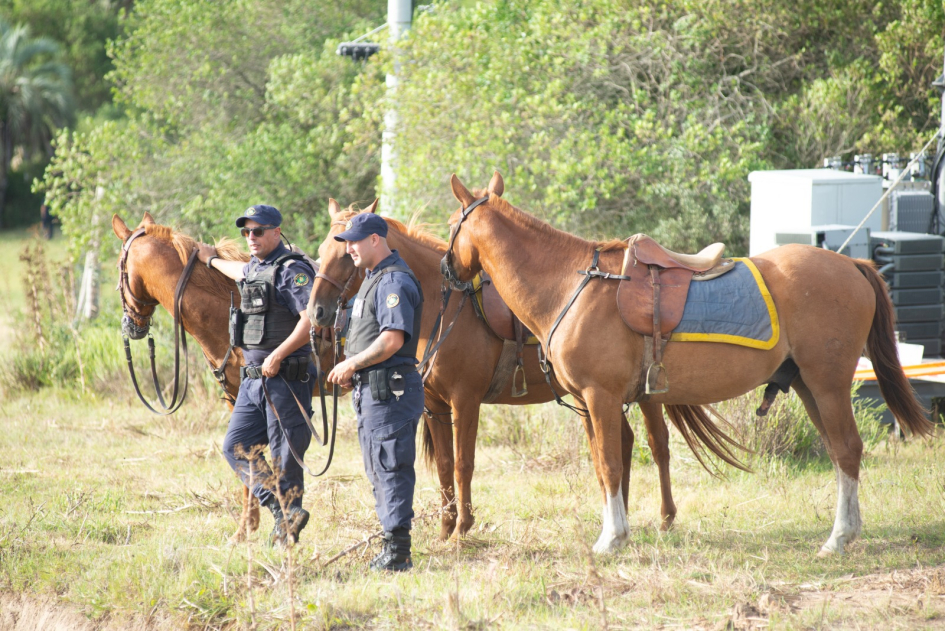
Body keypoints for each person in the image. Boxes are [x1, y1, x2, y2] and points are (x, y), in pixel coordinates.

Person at [197, 204, 316, 547]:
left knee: (284, 456)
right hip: (252, 382)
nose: (251, 237)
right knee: (236, 447)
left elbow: (310, 321)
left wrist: (279, 354)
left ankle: (287, 534)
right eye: (246, 232)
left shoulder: (293, 270)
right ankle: (282, 511)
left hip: (286, 380)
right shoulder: (256, 267)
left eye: (258, 231)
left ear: (277, 232)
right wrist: (210, 260)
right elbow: (240, 271)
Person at [327, 211, 424, 571]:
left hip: (390, 392)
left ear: (375, 239)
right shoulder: (372, 278)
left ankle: (398, 554)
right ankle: (391, 545)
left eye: (354, 240)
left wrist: (352, 364)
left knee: (391, 467)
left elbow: (392, 339)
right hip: (374, 391)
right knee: (379, 468)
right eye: (346, 241)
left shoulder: (393, 281)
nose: (349, 248)